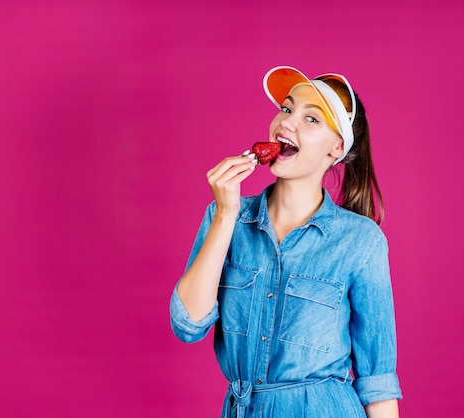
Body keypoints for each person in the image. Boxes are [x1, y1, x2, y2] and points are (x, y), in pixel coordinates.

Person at [170, 66, 402, 417]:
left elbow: (378, 380)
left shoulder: (361, 242)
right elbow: (188, 324)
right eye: (287, 109)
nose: (287, 123)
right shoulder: (226, 218)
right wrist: (224, 214)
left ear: (336, 147)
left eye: (312, 120)